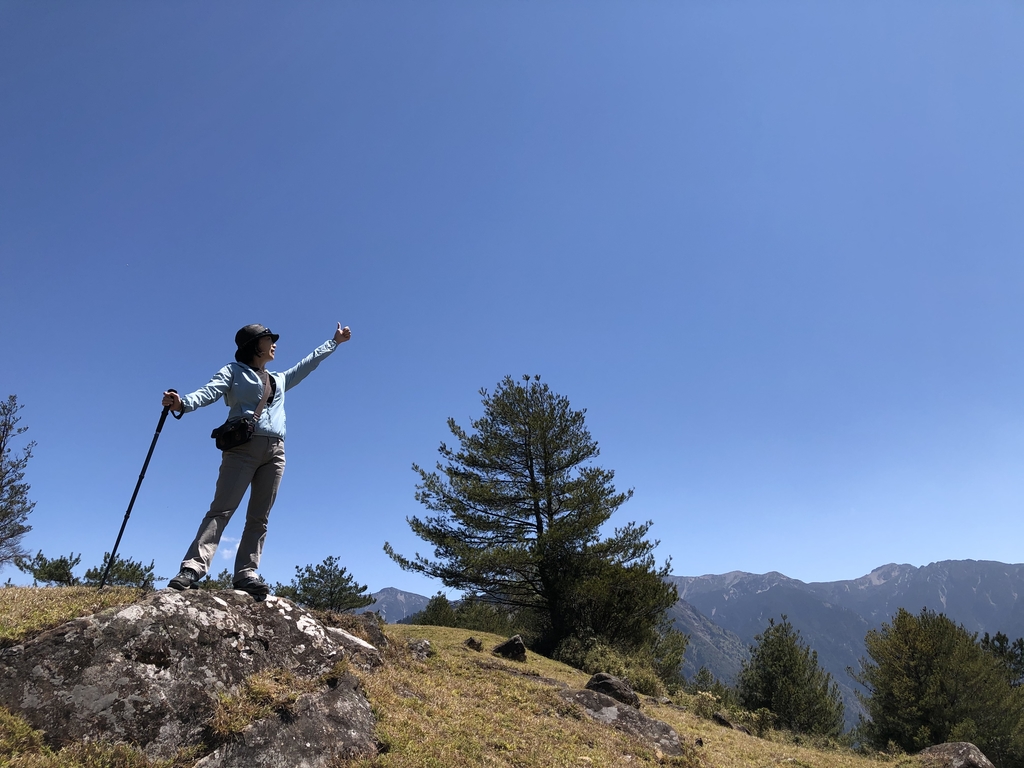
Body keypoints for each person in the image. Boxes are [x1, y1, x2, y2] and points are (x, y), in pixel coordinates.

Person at [161, 322, 351, 599]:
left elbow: (308, 364)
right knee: (222, 510)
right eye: (268, 339)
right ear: (254, 346)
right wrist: (182, 403)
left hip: (276, 452)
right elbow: (210, 391)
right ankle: (192, 568)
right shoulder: (233, 371)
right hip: (242, 448)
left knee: (259, 517)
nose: (274, 344)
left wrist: (333, 342)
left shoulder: (279, 379)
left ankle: (246, 573)